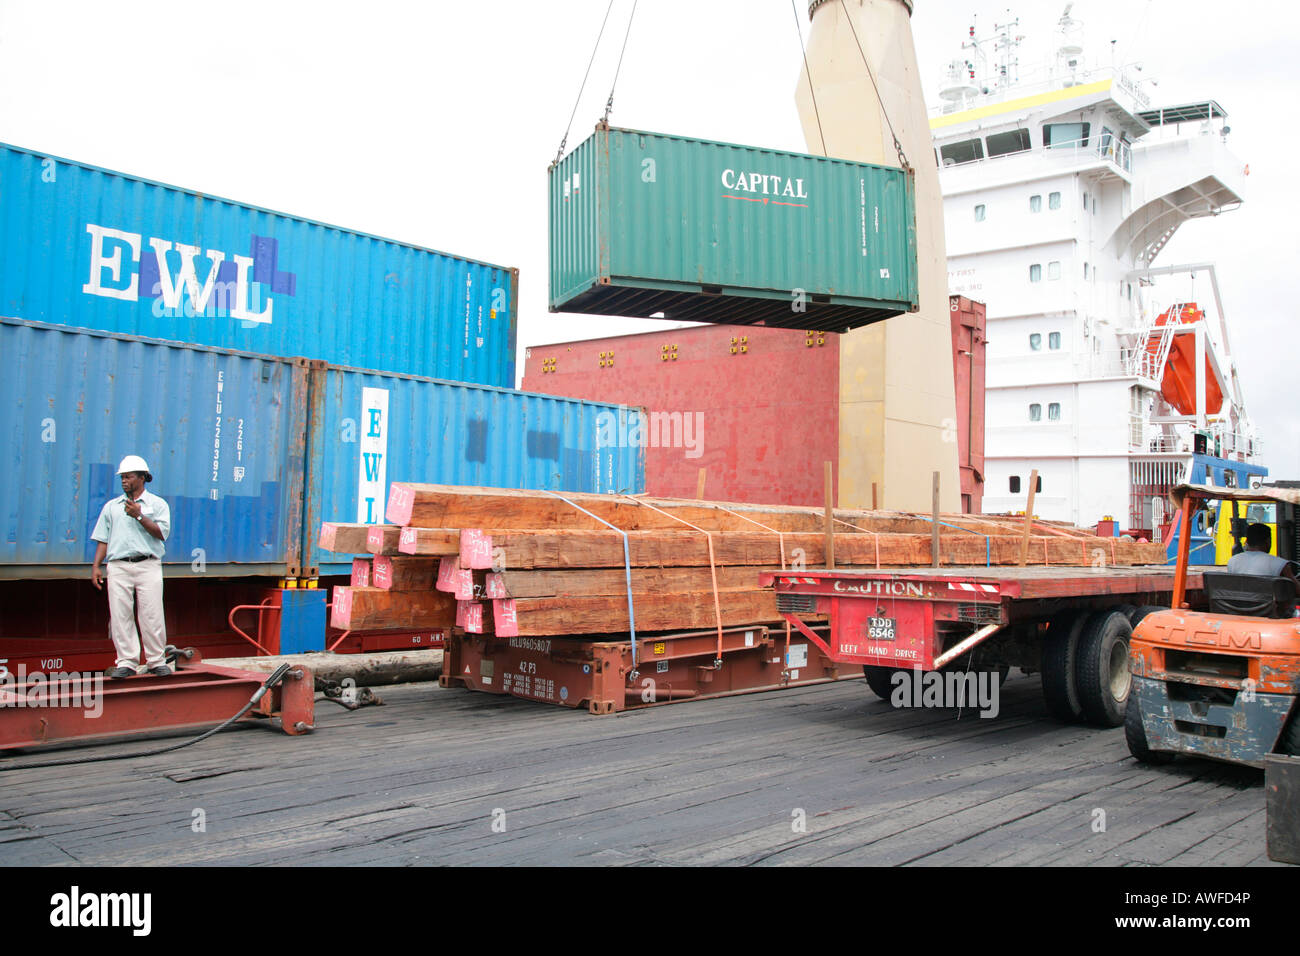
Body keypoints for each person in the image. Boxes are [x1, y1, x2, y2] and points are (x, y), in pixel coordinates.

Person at [91, 456, 172, 678]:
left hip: (148, 564)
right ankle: (126, 662)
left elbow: (161, 533)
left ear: (142, 478)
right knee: (120, 614)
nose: (124, 481)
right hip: (118, 566)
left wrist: (139, 516)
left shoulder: (157, 505)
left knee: (152, 613)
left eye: (128, 477)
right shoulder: (112, 507)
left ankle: (156, 660)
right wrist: (96, 565)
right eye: (122, 477)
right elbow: (103, 538)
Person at [1225, 522, 1297, 594]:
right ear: (1268, 541)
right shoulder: (1280, 564)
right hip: (1268, 605)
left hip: (1239, 604)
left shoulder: (1232, 561)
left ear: (1247, 542)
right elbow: (1297, 590)